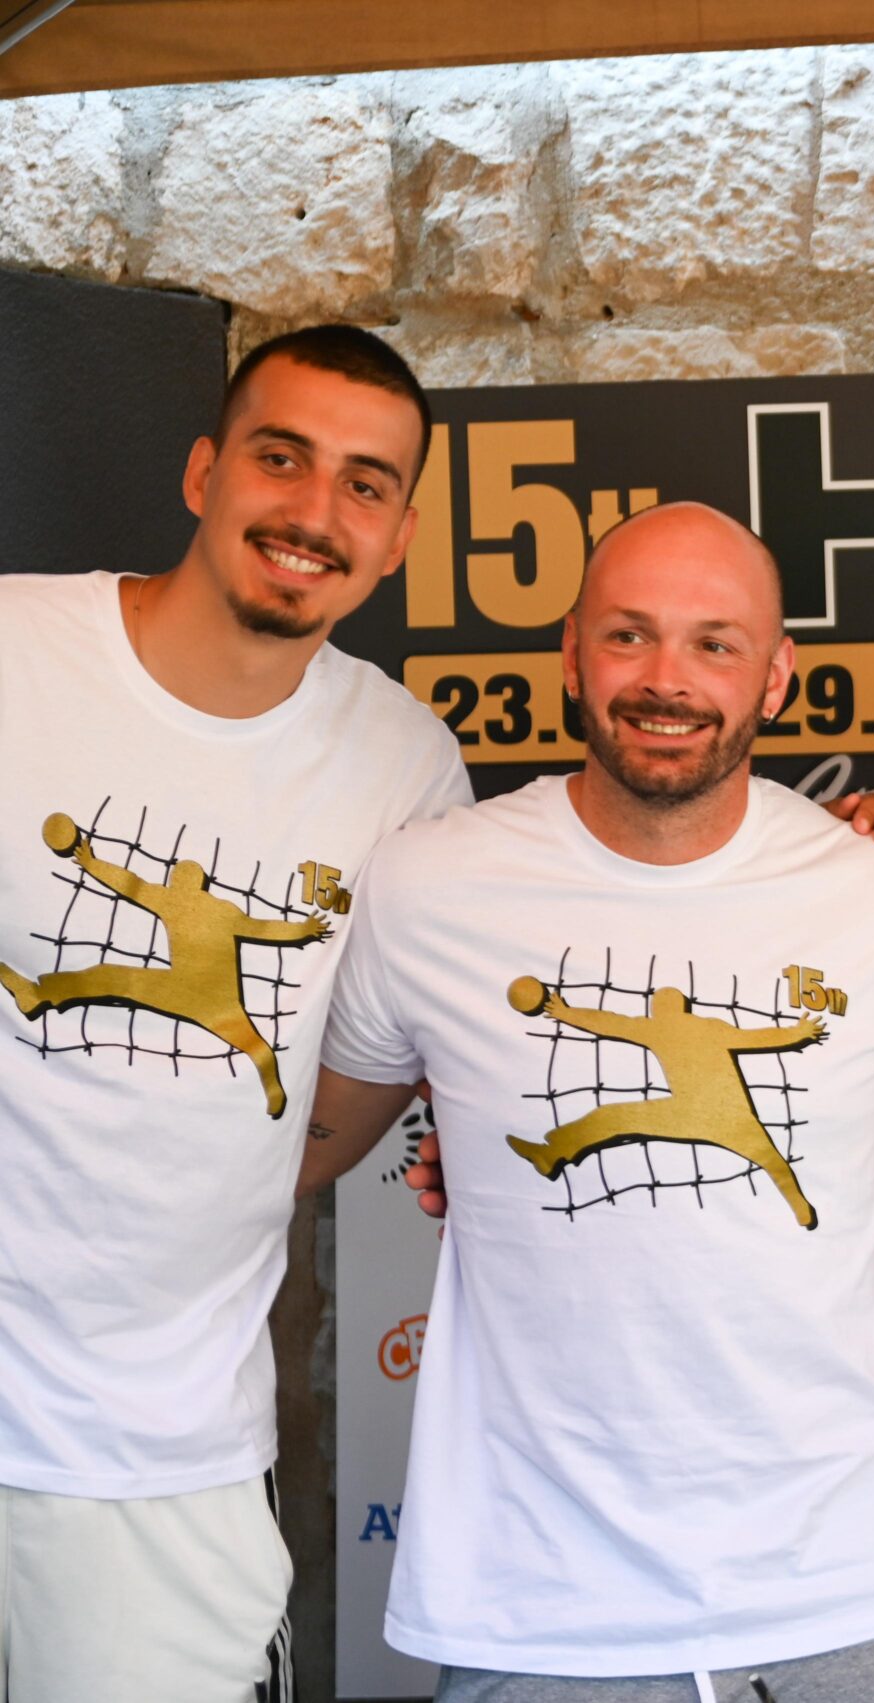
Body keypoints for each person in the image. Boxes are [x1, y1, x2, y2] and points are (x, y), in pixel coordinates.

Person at [296, 501, 874, 1702]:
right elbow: (295, 1146)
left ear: (775, 675)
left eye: (713, 642)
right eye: (628, 634)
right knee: (605, 1124)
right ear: (571, 653)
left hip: (854, 1598)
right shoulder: (428, 886)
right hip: (543, 1616)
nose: (664, 679)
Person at [0, 325, 469, 1703]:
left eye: (364, 484)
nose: (315, 511)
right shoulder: (14, 648)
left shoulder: (405, 766)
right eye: (282, 457)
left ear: (398, 538)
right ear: (205, 472)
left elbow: (393, 1049)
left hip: (157, 1453)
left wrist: (239, 1155)